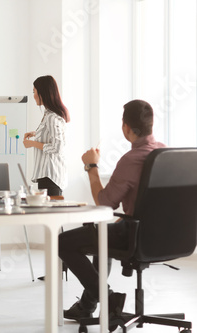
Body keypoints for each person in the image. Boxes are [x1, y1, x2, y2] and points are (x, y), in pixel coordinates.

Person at [59, 100, 166, 325]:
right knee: (103, 235)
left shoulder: (131, 160)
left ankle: (108, 300)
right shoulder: (165, 153)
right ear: (150, 125)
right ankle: (87, 306)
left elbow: (105, 204)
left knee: (62, 242)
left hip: (135, 234)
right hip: (168, 236)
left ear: (126, 128)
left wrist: (91, 167)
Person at [23, 75, 70, 196]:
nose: (33, 95)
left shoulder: (51, 118)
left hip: (51, 177)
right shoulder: (48, 114)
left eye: (34, 92)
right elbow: (51, 136)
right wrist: (36, 133)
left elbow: (57, 148)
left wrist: (32, 143)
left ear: (42, 93)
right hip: (47, 176)